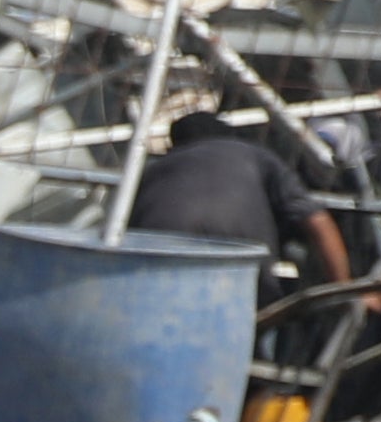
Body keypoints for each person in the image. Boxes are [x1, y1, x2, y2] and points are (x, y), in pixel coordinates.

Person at [132, 106, 356, 289]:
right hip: (240, 269)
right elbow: (317, 220)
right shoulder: (257, 156)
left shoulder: (155, 170)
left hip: (160, 267)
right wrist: (345, 289)